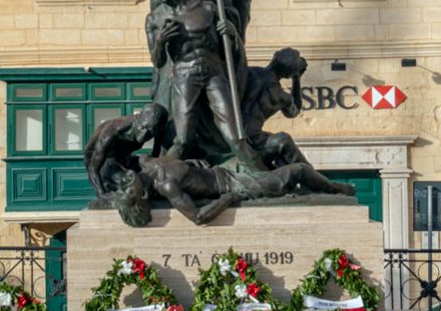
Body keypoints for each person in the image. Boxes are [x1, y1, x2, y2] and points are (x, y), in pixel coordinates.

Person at [143, 0, 260, 170]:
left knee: (235, 137)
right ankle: (157, 174)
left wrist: (232, 35)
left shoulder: (207, 8)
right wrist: (160, 42)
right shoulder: (155, 19)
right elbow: (158, 62)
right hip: (184, 75)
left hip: (214, 73)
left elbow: (229, 52)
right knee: (183, 140)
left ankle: (264, 179)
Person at [113, 155, 356, 226]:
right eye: (128, 191)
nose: (124, 183)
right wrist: (229, 198)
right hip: (232, 184)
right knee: (298, 171)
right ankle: (337, 190)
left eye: (121, 186)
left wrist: (190, 163)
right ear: (143, 195)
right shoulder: (167, 186)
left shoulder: (146, 161)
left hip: (225, 166)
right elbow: (198, 217)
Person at [241, 48, 310, 168]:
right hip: (253, 138)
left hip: (235, 130)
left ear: (275, 58)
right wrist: (297, 79)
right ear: (289, 74)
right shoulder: (280, 96)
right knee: (284, 140)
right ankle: (312, 177)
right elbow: (294, 111)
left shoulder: (249, 73)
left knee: (279, 149)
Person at [83, 103, 167, 197]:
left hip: (123, 159)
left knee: (153, 181)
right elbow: (93, 168)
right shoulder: (113, 131)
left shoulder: (156, 129)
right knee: (135, 186)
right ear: (138, 118)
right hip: (103, 162)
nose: (144, 134)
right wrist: (101, 194)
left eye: (150, 131)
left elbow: (155, 156)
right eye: (143, 127)